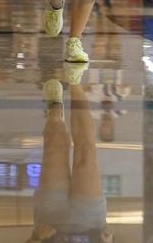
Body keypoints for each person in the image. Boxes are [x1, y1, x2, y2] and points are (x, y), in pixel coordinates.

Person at [26, 76, 115, 243]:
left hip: (51, 220)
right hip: (89, 223)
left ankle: (54, 109)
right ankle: (74, 80)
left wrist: (36, 238)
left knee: (54, 144)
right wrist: (109, 240)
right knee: (86, 156)